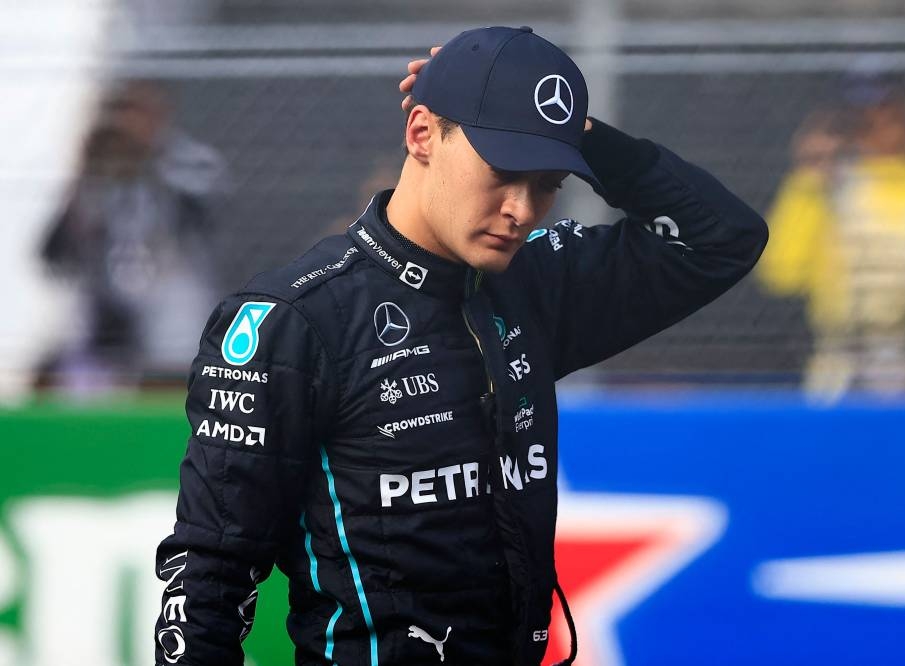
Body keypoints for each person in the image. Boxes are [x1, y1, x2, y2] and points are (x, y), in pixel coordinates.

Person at [153, 26, 767, 666]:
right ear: (422, 134)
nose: (523, 209)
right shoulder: (296, 318)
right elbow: (208, 574)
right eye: (504, 172)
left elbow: (723, 238)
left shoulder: (534, 284)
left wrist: (573, 129)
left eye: (548, 181)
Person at [759, 71, 905, 399]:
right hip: (847, 376)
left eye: (889, 110)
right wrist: (809, 181)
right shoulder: (829, 183)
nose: (880, 123)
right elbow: (782, 275)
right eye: (863, 117)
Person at [39, 80, 226, 393]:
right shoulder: (97, 170)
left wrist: (150, 160)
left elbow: (205, 214)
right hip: (106, 296)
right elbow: (53, 252)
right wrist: (88, 177)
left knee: (178, 330)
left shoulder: (188, 160)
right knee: (74, 355)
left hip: (170, 289)